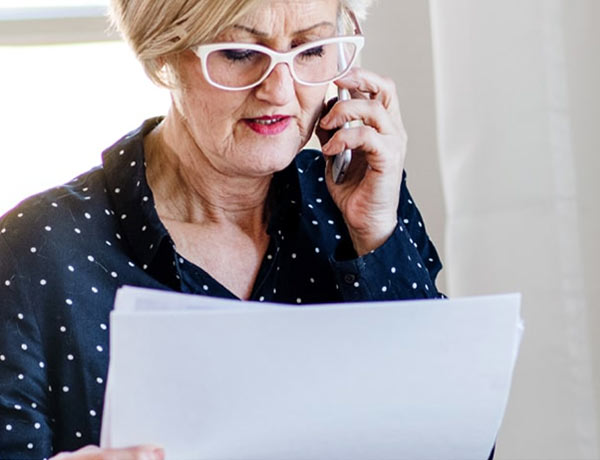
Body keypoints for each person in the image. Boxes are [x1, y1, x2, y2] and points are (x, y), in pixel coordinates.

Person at [0, 0, 445, 458]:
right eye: (237, 52)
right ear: (162, 55)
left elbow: (455, 440)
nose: (279, 90)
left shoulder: (362, 202)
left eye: (310, 49)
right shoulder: (36, 250)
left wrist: (377, 238)